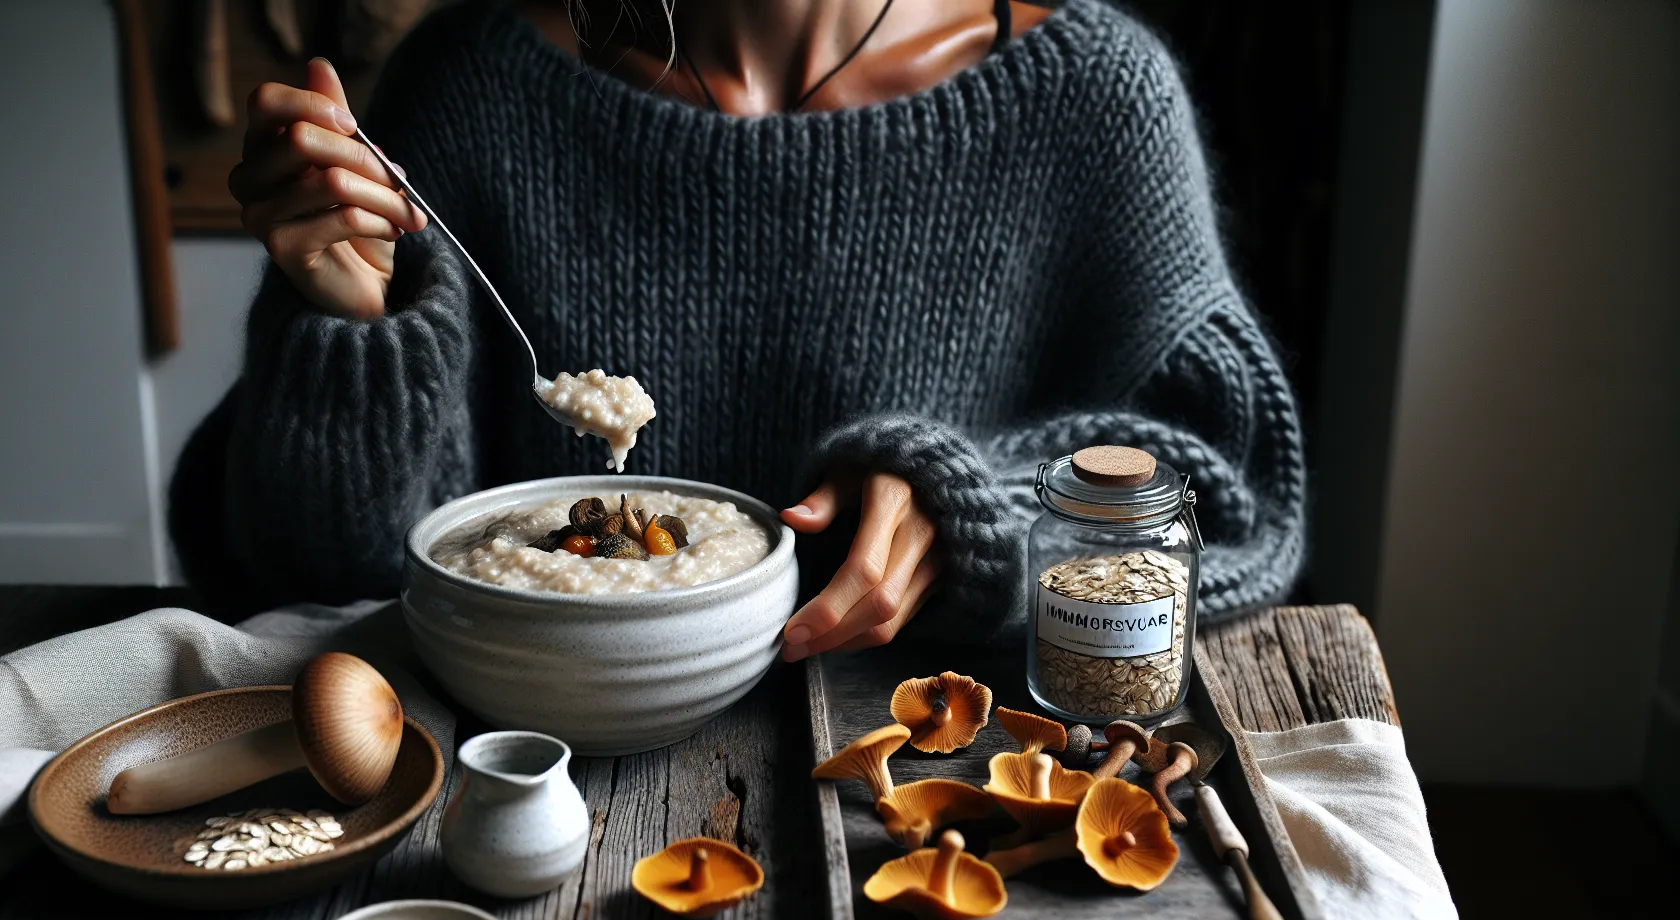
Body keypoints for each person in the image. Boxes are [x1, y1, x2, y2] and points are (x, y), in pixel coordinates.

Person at [170, 0, 1307, 659]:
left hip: (919, 804)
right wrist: (345, 322)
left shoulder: (1093, 98)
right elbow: (318, 589)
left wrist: (985, 514)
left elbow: (1233, 501)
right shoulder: (473, 90)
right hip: (539, 816)